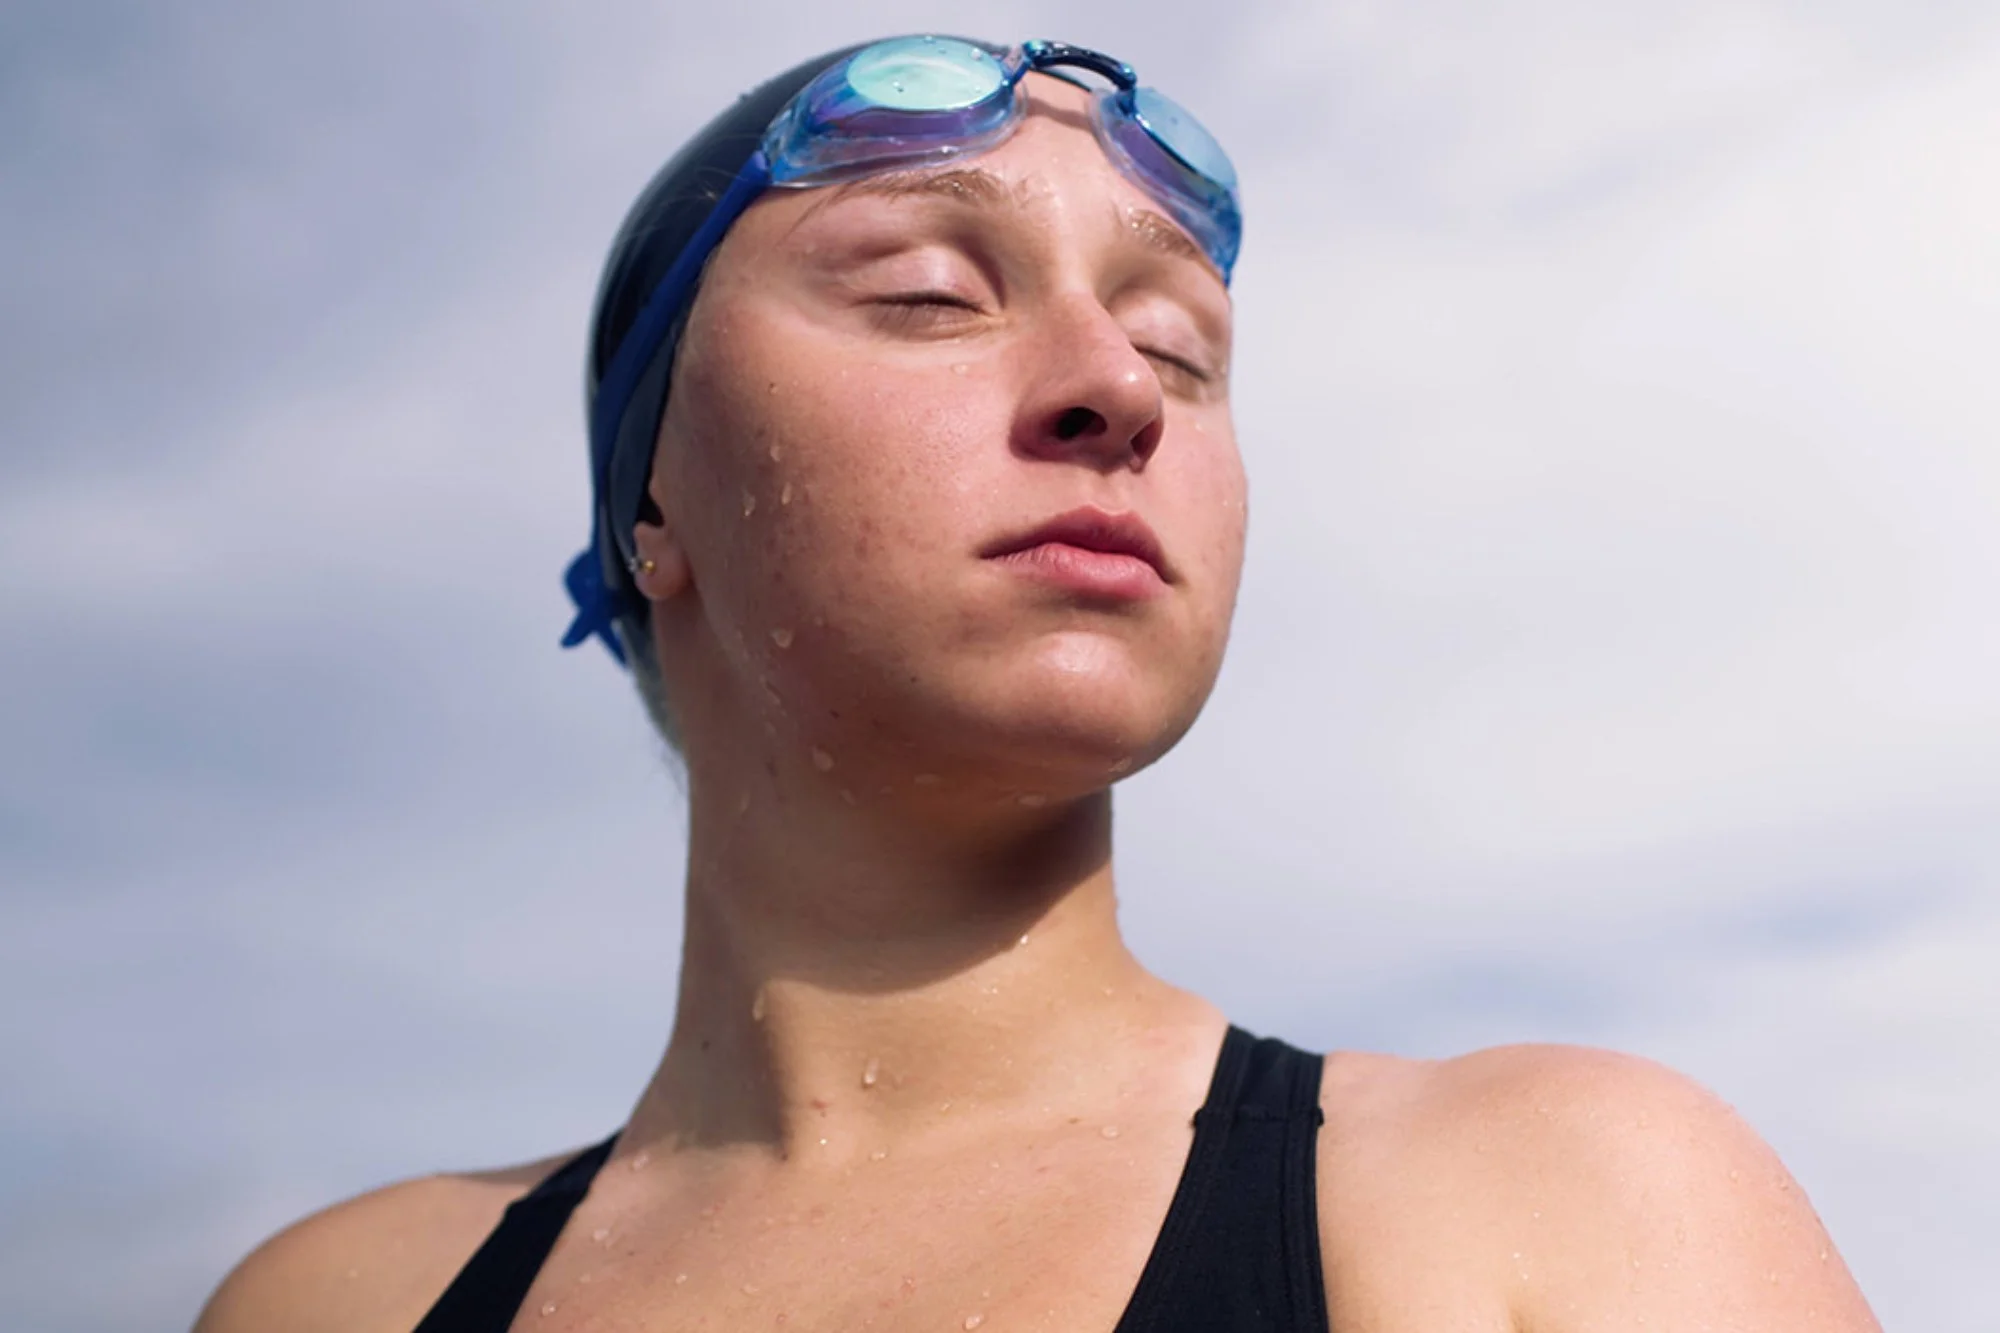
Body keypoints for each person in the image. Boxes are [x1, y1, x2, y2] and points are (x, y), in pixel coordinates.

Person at [194, 35, 1881, 1333]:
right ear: (656, 505)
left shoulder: (1558, 1211)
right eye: (929, 296)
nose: (1112, 390)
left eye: (1179, 350)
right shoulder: (343, 1302)